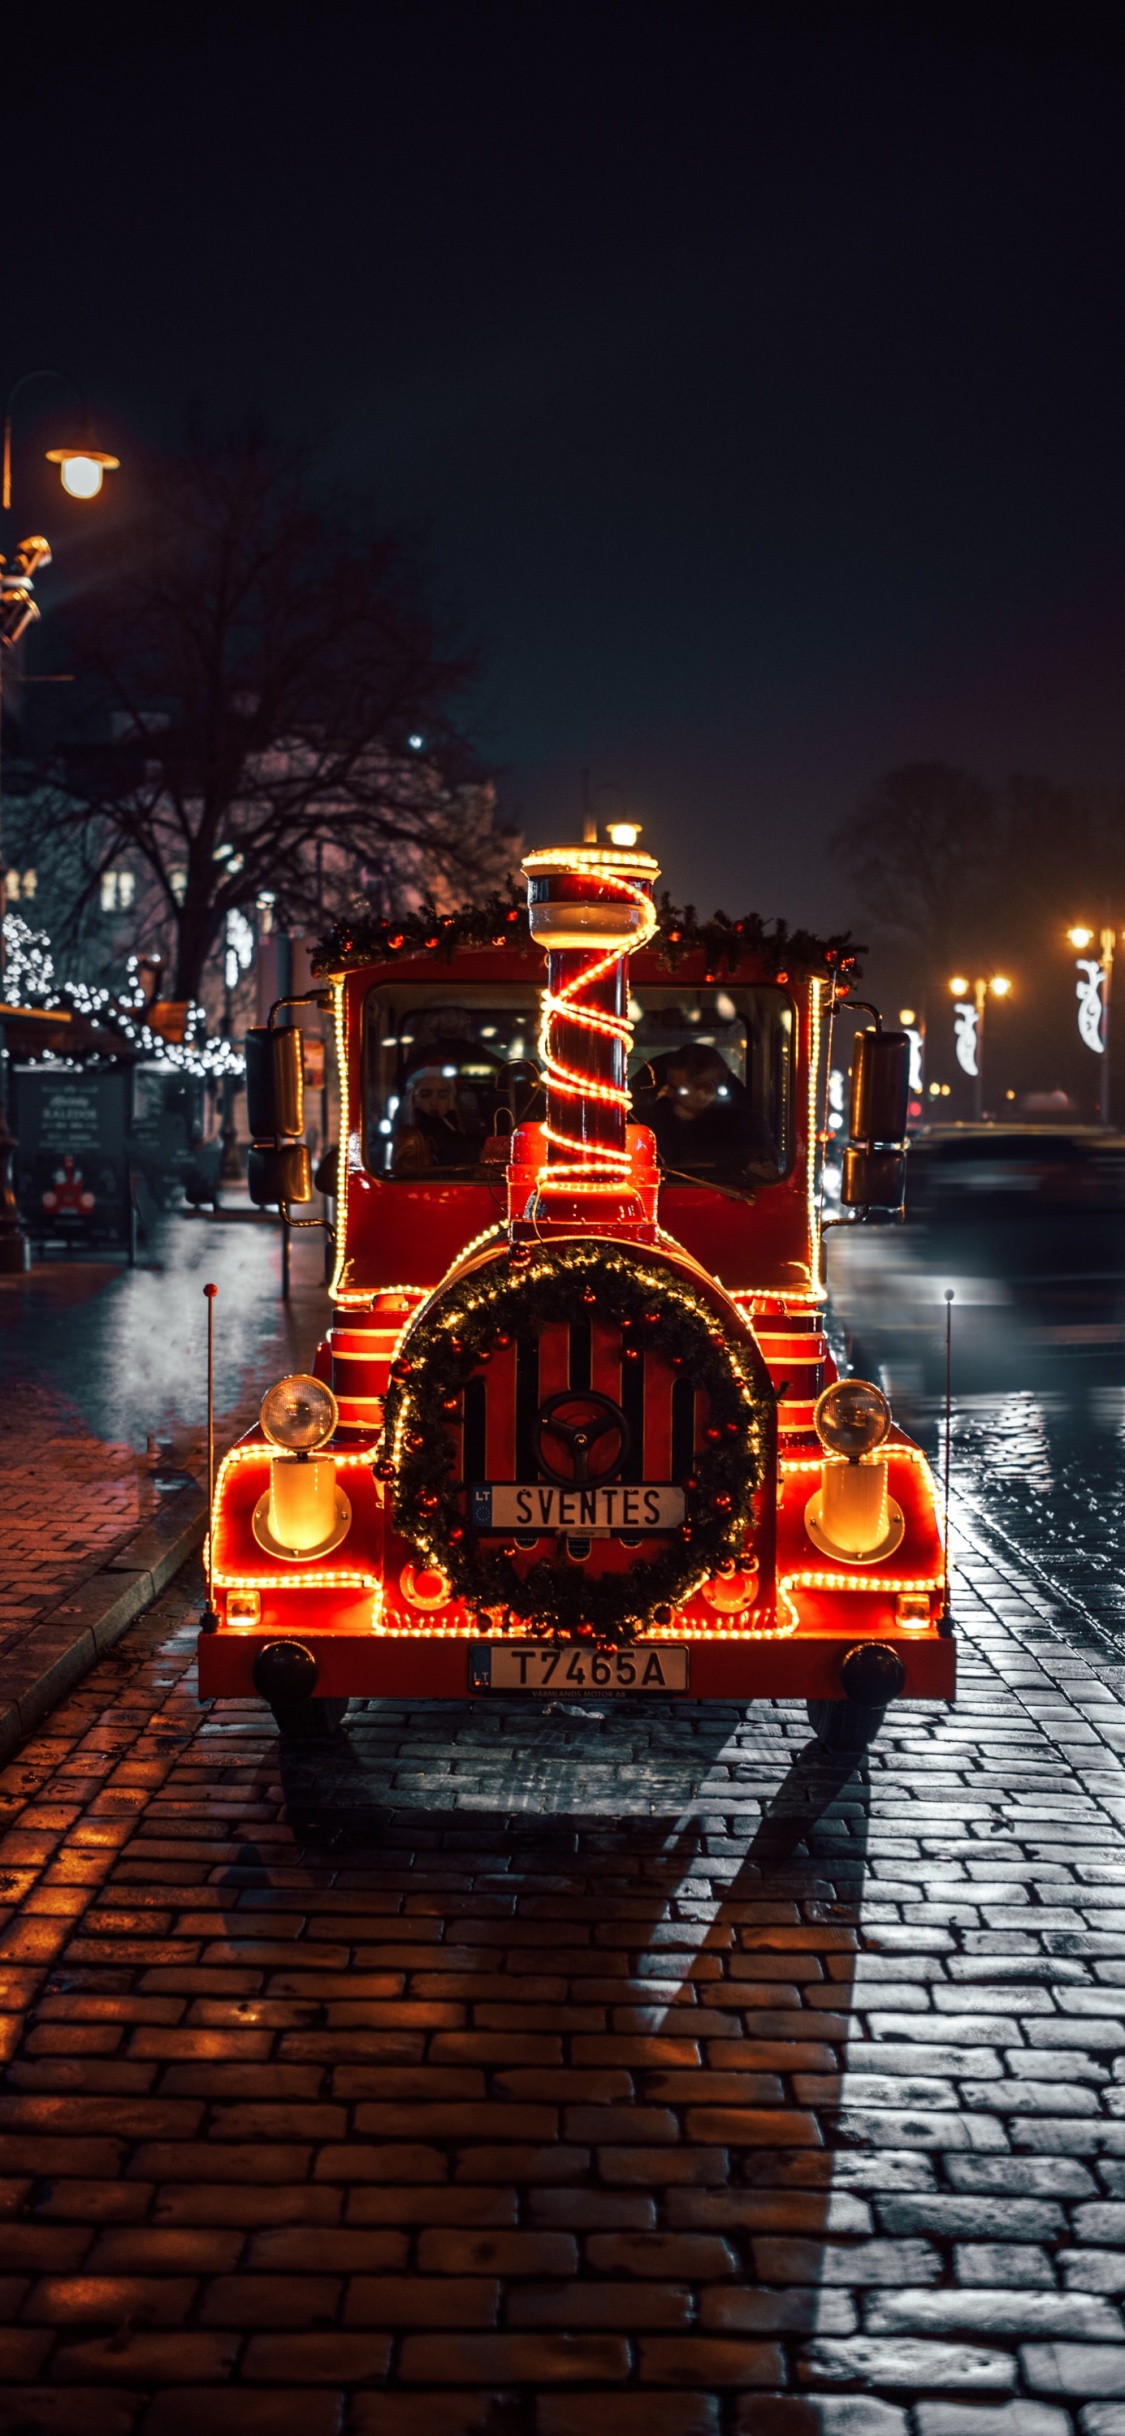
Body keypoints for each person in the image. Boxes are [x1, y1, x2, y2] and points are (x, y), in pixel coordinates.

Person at [640, 1043, 776, 1183]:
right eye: (667, 1085)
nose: (668, 1093)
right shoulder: (655, 1116)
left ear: (708, 1090)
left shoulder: (747, 1124)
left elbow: (764, 1170)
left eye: (678, 1089)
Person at [392, 1066, 485, 1175]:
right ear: (413, 1099)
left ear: (451, 1100)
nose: (434, 1102)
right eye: (425, 1095)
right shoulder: (408, 1137)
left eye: (442, 1095)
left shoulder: (463, 1134)